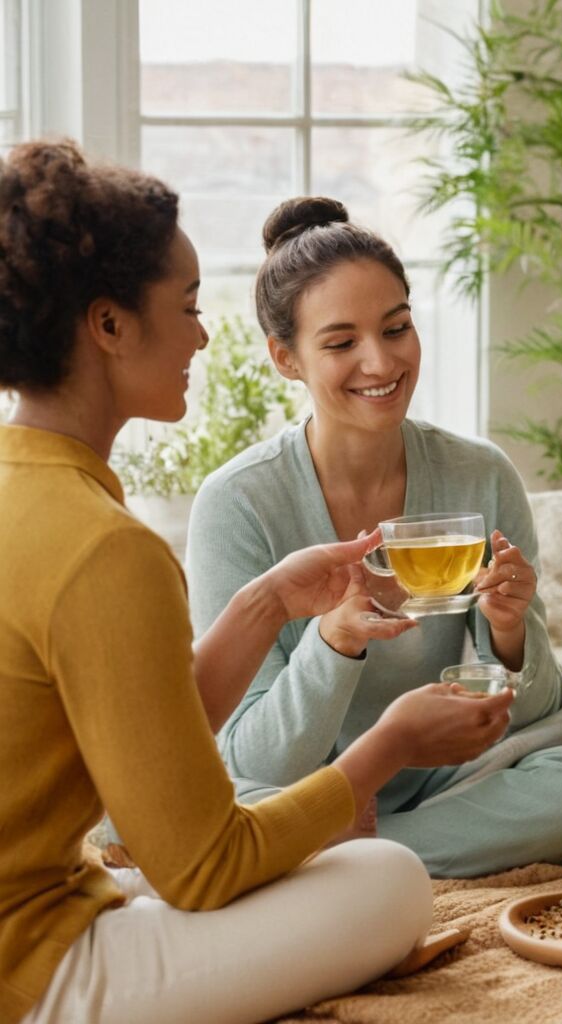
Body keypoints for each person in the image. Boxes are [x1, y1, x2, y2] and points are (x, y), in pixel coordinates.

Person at [0, 140, 516, 1024]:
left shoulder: (29, 492)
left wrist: (269, 600)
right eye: (189, 306)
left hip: (53, 902)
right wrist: (383, 748)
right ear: (109, 326)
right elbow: (200, 868)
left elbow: (143, 733)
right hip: (35, 970)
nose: (204, 334)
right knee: (388, 880)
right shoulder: (105, 549)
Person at [185, 196, 562, 877]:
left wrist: (509, 634)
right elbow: (257, 758)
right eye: (341, 343)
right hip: (303, 785)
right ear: (286, 358)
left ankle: (350, 853)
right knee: (217, 806)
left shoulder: (480, 474)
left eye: (396, 328)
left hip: (447, 776)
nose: (380, 362)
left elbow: (537, 707)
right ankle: (326, 836)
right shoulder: (237, 504)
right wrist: (336, 641)